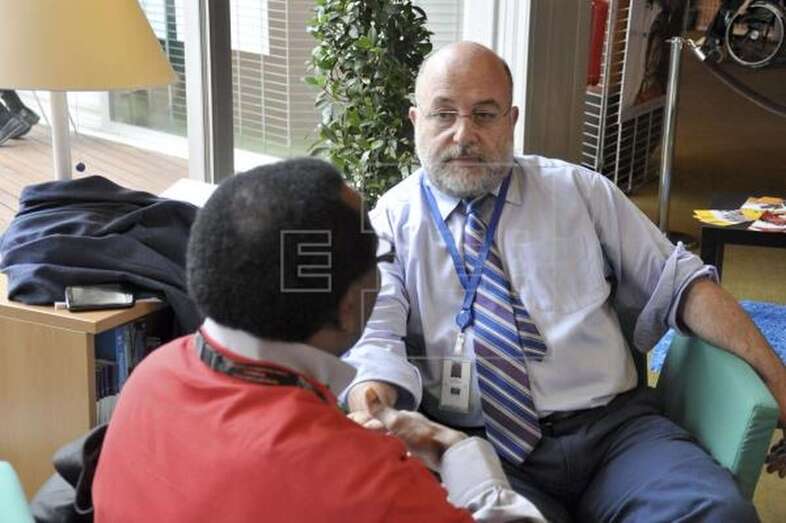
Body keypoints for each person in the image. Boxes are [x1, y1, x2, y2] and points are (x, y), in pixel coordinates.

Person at [343, 42, 786, 522]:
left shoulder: (579, 191)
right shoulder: (389, 222)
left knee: (716, 514)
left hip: (616, 434)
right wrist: (374, 400)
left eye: (485, 115)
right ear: (415, 121)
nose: (462, 134)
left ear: (512, 121)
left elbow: (684, 285)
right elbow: (376, 336)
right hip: (477, 445)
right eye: (443, 114)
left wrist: (781, 384)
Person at [91, 158, 545, 522]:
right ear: (350, 305)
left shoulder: (149, 377)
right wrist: (463, 453)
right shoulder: (368, 484)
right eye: (379, 260)